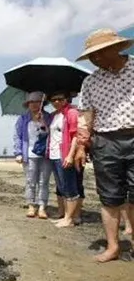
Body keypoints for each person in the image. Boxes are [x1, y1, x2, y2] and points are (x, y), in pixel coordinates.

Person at [74, 28, 134, 262]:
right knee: (109, 197)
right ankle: (112, 246)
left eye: (99, 53)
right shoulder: (90, 82)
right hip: (105, 141)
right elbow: (85, 117)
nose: (94, 59)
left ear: (116, 48)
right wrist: (81, 145)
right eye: (91, 55)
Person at [46, 92, 84, 228]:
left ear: (66, 99)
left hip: (65, 154)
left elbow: (75, 135)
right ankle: (66, 216)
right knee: (62, 187)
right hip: (53, 155)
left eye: (60, 99)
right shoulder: (53, 116)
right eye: (53, 99)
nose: (56, 101)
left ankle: (69, 219)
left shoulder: (71, 112)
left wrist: (70, 155)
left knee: (70, 187)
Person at [13, 92, 52, 219]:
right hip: (28, 154)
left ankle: (42, 207)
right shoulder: (23, 119)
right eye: (31, 102)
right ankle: (31, 205)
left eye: (37, 102)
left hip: (45, 154)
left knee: (44, 181)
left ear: (42, 103)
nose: (34, 104)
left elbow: (52, 134)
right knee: (30, 181)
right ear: (28, 104)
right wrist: (18, 153)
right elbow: (17, 136)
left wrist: (42, 121)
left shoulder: (49, 117)